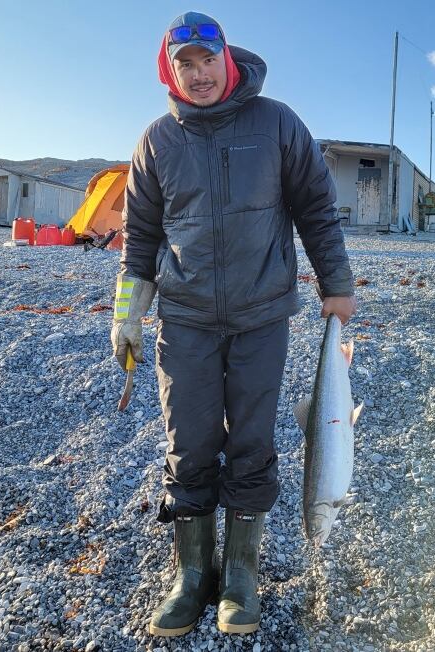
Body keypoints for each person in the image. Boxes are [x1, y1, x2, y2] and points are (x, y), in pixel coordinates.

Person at [111, 11, 356, 637]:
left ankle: (241, 576)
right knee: (188, 443)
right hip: (184, 318)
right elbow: (139, 239)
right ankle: (193, 577)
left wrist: (337, 286)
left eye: (205, 60)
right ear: (171, 68)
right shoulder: (156, 142)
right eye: (183, 64)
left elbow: (317, 210)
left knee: (251, 441)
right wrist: (127, 314)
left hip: (261, 315)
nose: (196, 74)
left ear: (227, 57)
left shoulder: (277, 124)